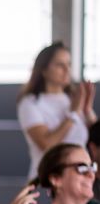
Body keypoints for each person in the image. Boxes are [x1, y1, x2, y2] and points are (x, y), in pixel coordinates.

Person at [17, 42, 97, 179]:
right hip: (46, 180)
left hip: (80, 181)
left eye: (69, 64)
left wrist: (87, 110)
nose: (67, 70)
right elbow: (47, 144)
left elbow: (96, 137)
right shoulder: (30, 103)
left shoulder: (73, 99)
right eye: (60, 65)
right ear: (44, 70)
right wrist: (72, 114)